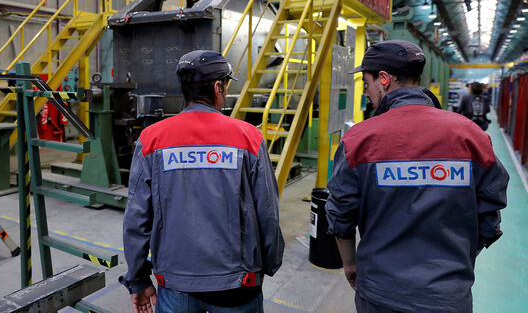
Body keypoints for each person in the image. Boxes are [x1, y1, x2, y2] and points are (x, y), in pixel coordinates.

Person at [325, 40, 509, 312]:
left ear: (384, 80)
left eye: (367, 83)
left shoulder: (358, 140)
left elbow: (341, 214)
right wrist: (459, 263)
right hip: (449, 296)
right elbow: (490, 214)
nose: (366, 93)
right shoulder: (471, 136)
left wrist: (350, 264)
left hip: (380, 294)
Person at [120, 50, 284, 313]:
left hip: (175, 284)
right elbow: (268, 214)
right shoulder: (249, 138)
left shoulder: (151, 140)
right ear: (218, 88)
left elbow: (136, 219)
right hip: (237, 285)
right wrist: (269, 263)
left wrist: (138, 279)